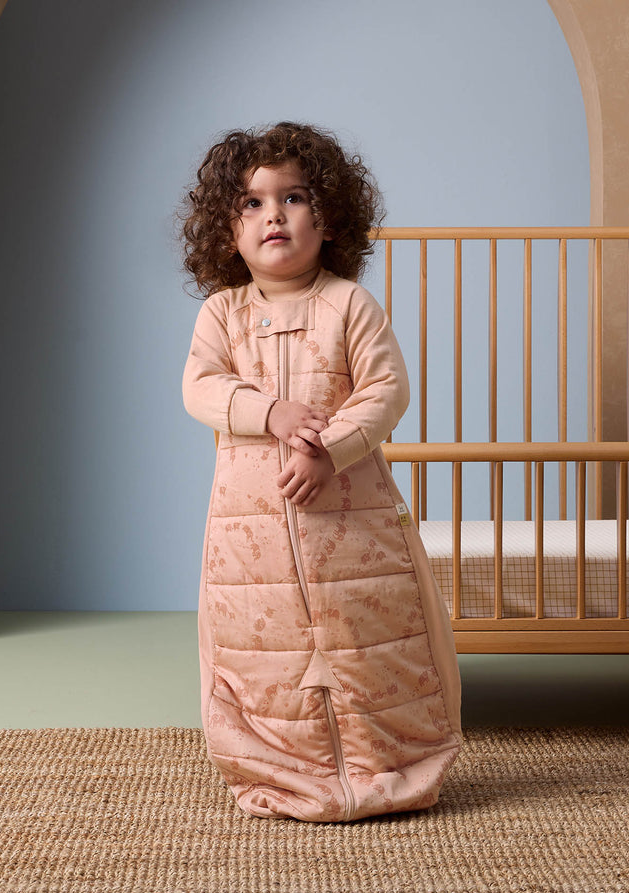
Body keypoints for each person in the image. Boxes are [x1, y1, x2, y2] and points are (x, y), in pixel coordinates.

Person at [180, 121, 461, 822]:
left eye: (293, 197)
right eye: (251, 203)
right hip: (254, 544)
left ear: (327, 215)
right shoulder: (223, 313)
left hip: (351, 523)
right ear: (227, 231)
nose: (273, 214)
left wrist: (325, 448)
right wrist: (268, 411)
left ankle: (388, 764)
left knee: (369, 644)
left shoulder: (349, 305)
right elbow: (199, 387)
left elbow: (384, 391)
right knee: (263, 654)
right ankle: (280, 768)